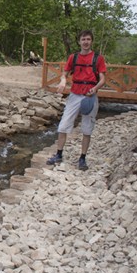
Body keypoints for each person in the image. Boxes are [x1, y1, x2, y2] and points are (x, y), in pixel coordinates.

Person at [46, 30, 106, 170]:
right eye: (83, 39)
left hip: (90, 96)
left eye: (88, 39)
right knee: (63, 125)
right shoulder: (73, 57)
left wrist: (95, 88)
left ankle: (82, 158)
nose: (86, 42)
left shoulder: (98, 58)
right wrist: (62, 81)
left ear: (91, 41)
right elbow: (64, 73)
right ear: (79, 41)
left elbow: (103, 79)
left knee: (87, 129)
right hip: (74, 95)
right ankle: (59, 154)